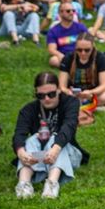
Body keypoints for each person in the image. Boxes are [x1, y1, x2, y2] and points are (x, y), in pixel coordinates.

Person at [12, 72, 89, 200]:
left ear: (59, 90)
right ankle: (24, 183)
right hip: (39, 155)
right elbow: (19, 133)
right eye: (41, 95)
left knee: (56, 138)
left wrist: (55, 148)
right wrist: (21, 153)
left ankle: (52, 184)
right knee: (32, 139)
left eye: (51, 94)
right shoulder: (28, 109)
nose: (47, 98)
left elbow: (68, 128)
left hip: (67, 153)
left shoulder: (71, 103)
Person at [58, 32, 105, 126]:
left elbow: (104, 85)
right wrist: (68, 92)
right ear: (75, 48)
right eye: (79, 50)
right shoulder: (68, 58)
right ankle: (92, 107)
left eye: (87, 50)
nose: (83, 53)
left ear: (93, 47)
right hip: (73, 95)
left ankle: (82, 106)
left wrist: (91, 92)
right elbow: (62, 85)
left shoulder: (100, 57)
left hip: (93, 95)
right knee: (56, 94)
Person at [46, 3, 88, 68]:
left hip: (80, 54)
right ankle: (73, 66)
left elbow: (90, 43)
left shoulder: (81, 27)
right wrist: (60, 55)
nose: (71, 13)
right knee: (53, 60)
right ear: (60, 13)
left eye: (73, 11)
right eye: (68, 11)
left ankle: (69, 66)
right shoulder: (53, 31)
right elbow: (51, 49)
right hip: (64, 55)